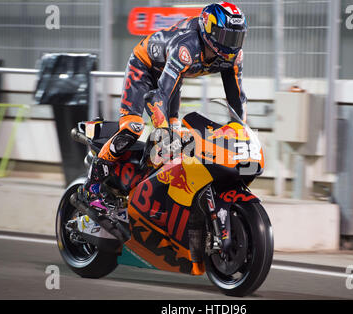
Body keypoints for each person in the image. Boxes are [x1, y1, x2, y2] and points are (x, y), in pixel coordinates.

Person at [79, 2, 248, 208]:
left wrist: (241, 131)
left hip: (171, 77)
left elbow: (237, 98)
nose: (232, 44)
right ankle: (92, 185)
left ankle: (151, 190)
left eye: (237, 37)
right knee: (135, 128)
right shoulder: (187, 47)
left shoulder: (234, 56)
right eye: (227, 37)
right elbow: (160, 94)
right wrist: (163, 130)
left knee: (179, 138)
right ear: (209, 29)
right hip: (144, 68)